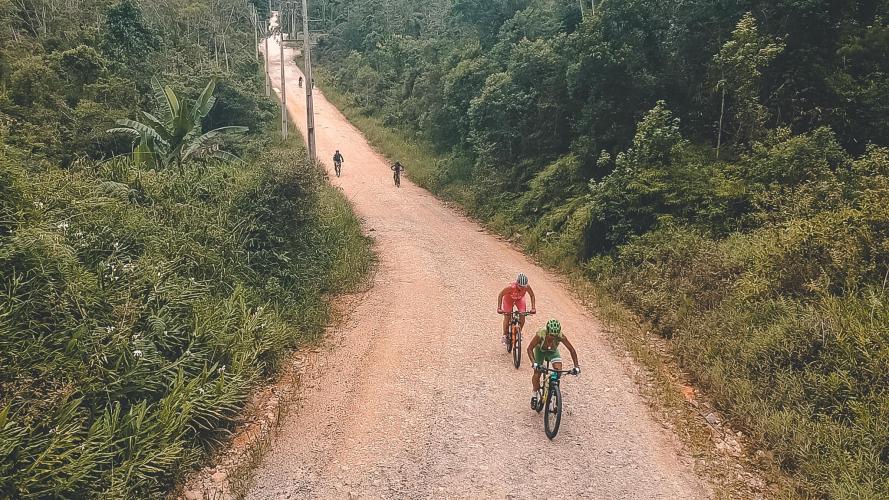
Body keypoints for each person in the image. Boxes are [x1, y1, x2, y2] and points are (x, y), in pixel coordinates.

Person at [527, 319, 580, 409]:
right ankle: (534, 394)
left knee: (558, 371)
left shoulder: (561, 336)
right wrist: (534, 363)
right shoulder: (540, 334)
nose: (553, 337)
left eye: (555, 336)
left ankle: (553, 391)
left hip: (552, 351)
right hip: (540, 351)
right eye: (551, 335)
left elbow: (571, 350)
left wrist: (576, 366)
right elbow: (529, 348)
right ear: (547, 332)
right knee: (537, 373)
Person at [497, 273, 536, 346]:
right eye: (520, 286)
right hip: (508, 299)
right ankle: (505, 335)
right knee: (507, 316)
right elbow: (501, 294)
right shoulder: (511, 287)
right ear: (517, 283)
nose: (522, 288)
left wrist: (533, 308)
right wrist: (499, 308)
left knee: (522, 314)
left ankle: (519, 332)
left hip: (520, 299)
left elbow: (532, 295)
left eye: (524, 286)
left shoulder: (527, 287)